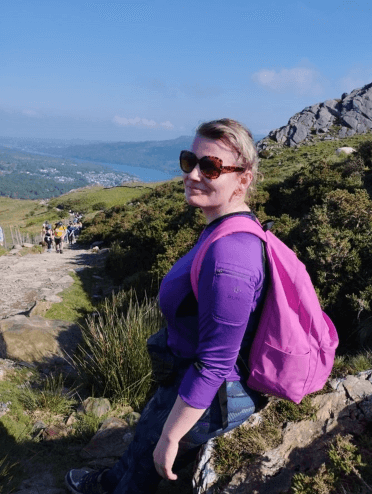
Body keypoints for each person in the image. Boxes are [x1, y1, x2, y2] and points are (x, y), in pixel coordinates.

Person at [65, 118, 267, 494]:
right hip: (183, 376)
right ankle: (110, 482)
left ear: (244, 179)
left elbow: (215, 363)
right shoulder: (222, 227)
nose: (193, 174)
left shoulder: (231, 260)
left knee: (150, 462)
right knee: (143, 440)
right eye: (189, 160)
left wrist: (173, 435)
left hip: (209, 394)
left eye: (210, 167)